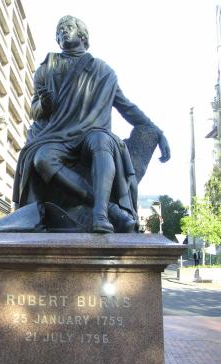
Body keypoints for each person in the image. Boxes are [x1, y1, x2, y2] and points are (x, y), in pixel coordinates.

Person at [13, 15, 170, 233]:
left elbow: (126, 106)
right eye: (59, 31)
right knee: (42, 158)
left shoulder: (103, 71)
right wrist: (46, 102)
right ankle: (111, 208)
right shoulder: (46, 68)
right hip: (57, 136)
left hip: (91, 133)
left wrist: (156, 130)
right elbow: (35, 110)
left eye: (68, 27)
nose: (63, 32)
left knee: (102, 140)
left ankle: (100, 214)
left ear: (82, 34)